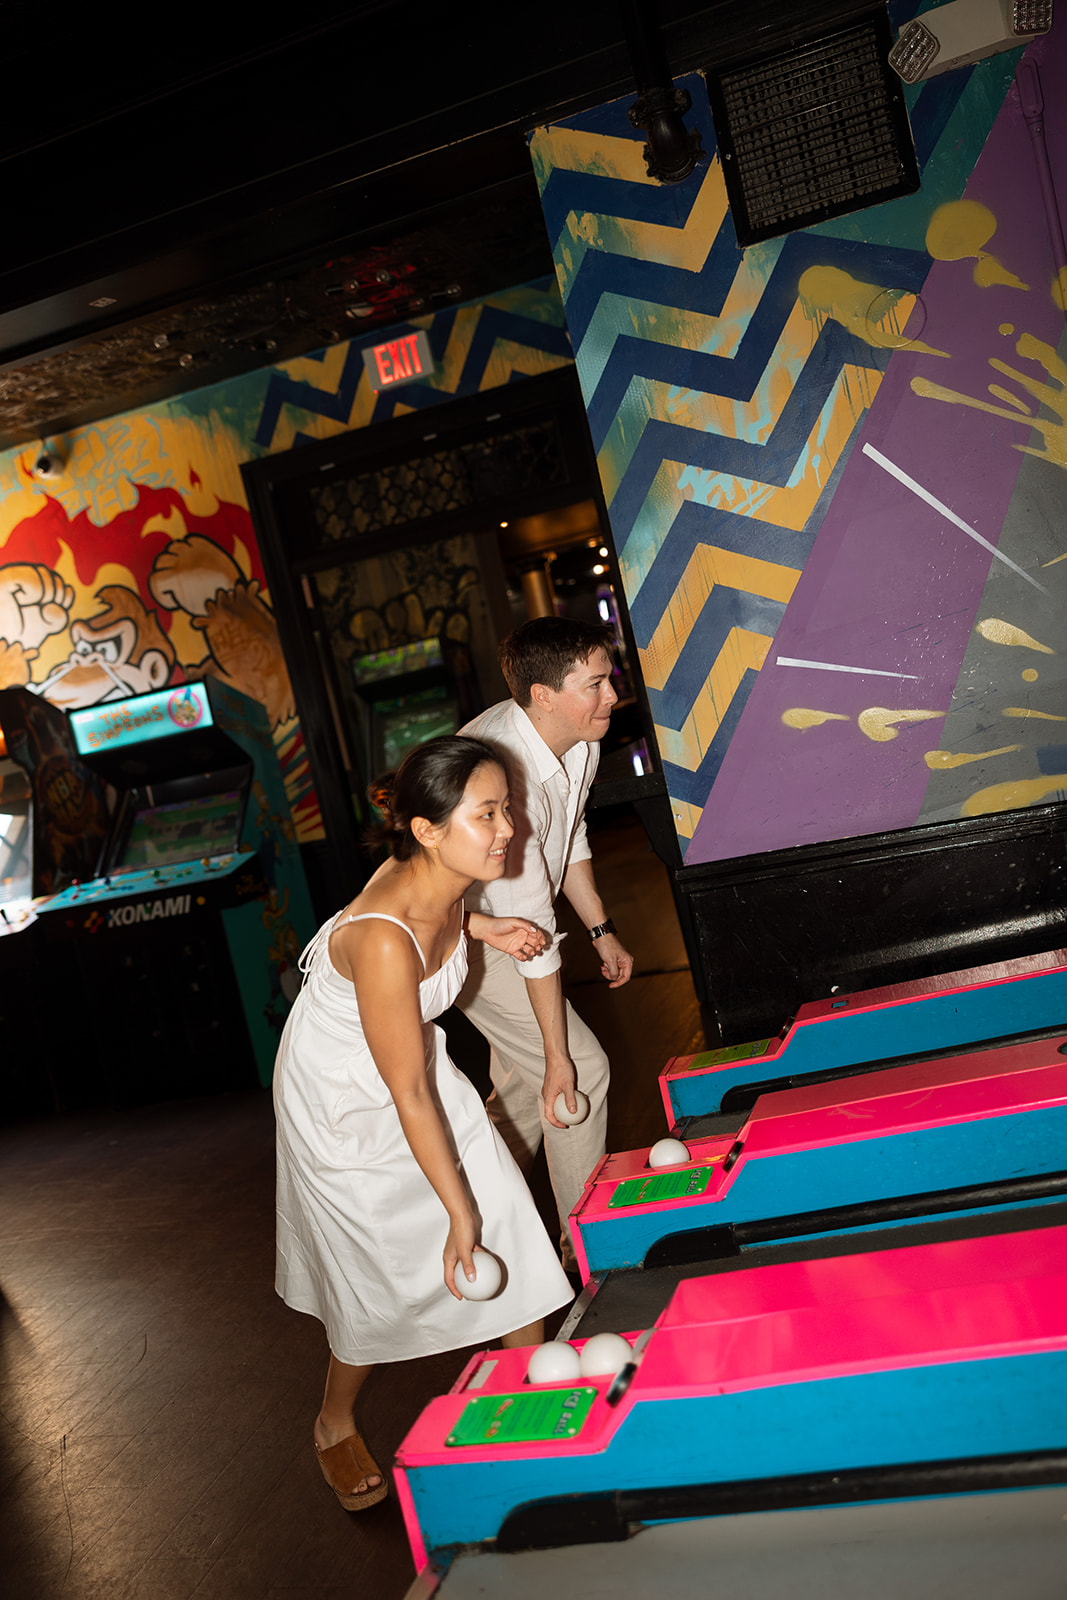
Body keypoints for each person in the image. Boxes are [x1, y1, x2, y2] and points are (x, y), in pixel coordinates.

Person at [273, 736, 572, 1512]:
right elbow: (405, 1090)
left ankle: (528, 1411)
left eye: (506, 806)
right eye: (486, 813)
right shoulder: (380, 933)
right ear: (427, 830)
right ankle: (332, 1423)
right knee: (381, 1280)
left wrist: (487, 931)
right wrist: (456, 1208)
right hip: (344, 1102)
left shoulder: (450, 872)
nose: (507, 828)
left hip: (408, 1068)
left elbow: (441, 921)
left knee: (510, 1229)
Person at [457, 617, 635, 1268]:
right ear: (542, 695)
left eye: (607, 679)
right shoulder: (503, 773)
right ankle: (583, 1253)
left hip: (516, 932)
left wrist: (599, 928)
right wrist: (560, 1055)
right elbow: (528, 938)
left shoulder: (578, 738)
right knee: (575, 1072)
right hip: (475, 939)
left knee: (524, 1100)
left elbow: (569, 835)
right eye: (594, 684)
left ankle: (462, 1224)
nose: (611, 695)